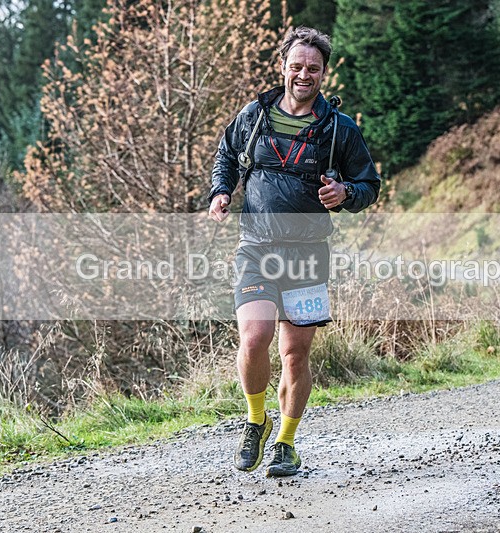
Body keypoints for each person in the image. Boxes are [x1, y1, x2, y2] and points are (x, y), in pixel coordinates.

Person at [207, 26, 380, 477]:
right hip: (257, 248)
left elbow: (369, 185)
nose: (305, 75)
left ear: (324, 72)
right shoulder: (255, 115)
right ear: (283, 67)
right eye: (297, 66)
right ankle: (255, 420)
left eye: (314, 68)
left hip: (307, 255)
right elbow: (225, 154)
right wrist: (221, 191)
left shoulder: (339, 128)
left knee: (295, 355)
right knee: (254, 337)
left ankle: (285, 442)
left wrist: (346, 193)